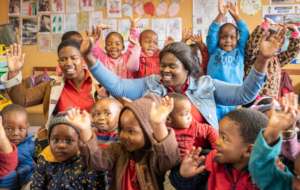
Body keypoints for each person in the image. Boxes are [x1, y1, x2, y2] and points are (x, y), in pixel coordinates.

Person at [82, 24, 284, 129]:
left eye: (172, 66)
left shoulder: (206, 85)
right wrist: (89, 58)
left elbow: (244, 94)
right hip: (162, 153)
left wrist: (262, 59)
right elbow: (118, 86)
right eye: (163, 66)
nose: (165, 71)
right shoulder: (152, 84)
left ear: (187, 68)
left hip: (201, 156)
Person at [66, 94, 179, 190]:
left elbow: (169, 160)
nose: (123, 136)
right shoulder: (118, 149)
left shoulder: (154, 155)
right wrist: (85, 130)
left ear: (148, 130)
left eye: (131, 131)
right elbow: (97, 162)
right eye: (122, 129)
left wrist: (158, 125)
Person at [3, 40, 100, 127]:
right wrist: (14, 73)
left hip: (93, 141)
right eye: (63, 59)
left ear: (83, 60)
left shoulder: (98, 84)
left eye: (74, 58)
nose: (68, 63)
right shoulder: (52, 84)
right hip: (60, 142)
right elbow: (21, 100)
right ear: (58, 62)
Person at [170, 108, 269, 190]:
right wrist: (184, 176)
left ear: (249, 151)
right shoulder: (207, 161)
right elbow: (183, 186)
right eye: (219, 134)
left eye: (224, 138)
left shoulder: (264, 179)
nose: (216, 141)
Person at [31, 113, 106, 190]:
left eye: (69, 140)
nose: (61, 145)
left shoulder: (87, 163)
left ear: (80, 141)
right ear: (49, 140)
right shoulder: (45, 159)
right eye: (55, 140)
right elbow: (36, 185)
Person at [206, 0, 249, 120]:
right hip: (214, 96)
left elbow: (245, 32)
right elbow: (212, 32)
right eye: (224, 37)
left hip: (234, 98)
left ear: (237, 39)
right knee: (215, 127)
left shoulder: (239, 51)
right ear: (218, 39)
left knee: (233, 126)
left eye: (232, 37)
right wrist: (221, 15)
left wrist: (236, 16)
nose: (228, 40)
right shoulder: (214, 49)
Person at [249, 93, 299, 190]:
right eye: (298, 177)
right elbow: (261, 169)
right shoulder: (287, 183)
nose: (296, 186)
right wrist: (271, 133)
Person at [245, 19, 300, 98]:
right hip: (251, 101)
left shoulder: (277, 60)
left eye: (279, 41)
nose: (275, 43)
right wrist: (264, 26)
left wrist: (294, 32)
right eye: (270, 39)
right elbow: (252, 44)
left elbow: (293, 51)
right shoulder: (254, 55)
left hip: (270, 103)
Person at [167, 92, 218, 160]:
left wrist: (217, 149)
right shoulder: (163, 129)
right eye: (185, 114)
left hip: (191, 159)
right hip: (171, 163)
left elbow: (210, 130)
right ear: (168, 119)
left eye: (189, 112)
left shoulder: (193, 126)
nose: (189, 117)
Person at [0, 104, 35, 189]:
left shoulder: (31, 143)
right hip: (5, 185)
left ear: (27, 127)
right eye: (9, 129)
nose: (15, 133)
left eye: (21, 129)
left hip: (27, 181)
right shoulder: (2, 145)